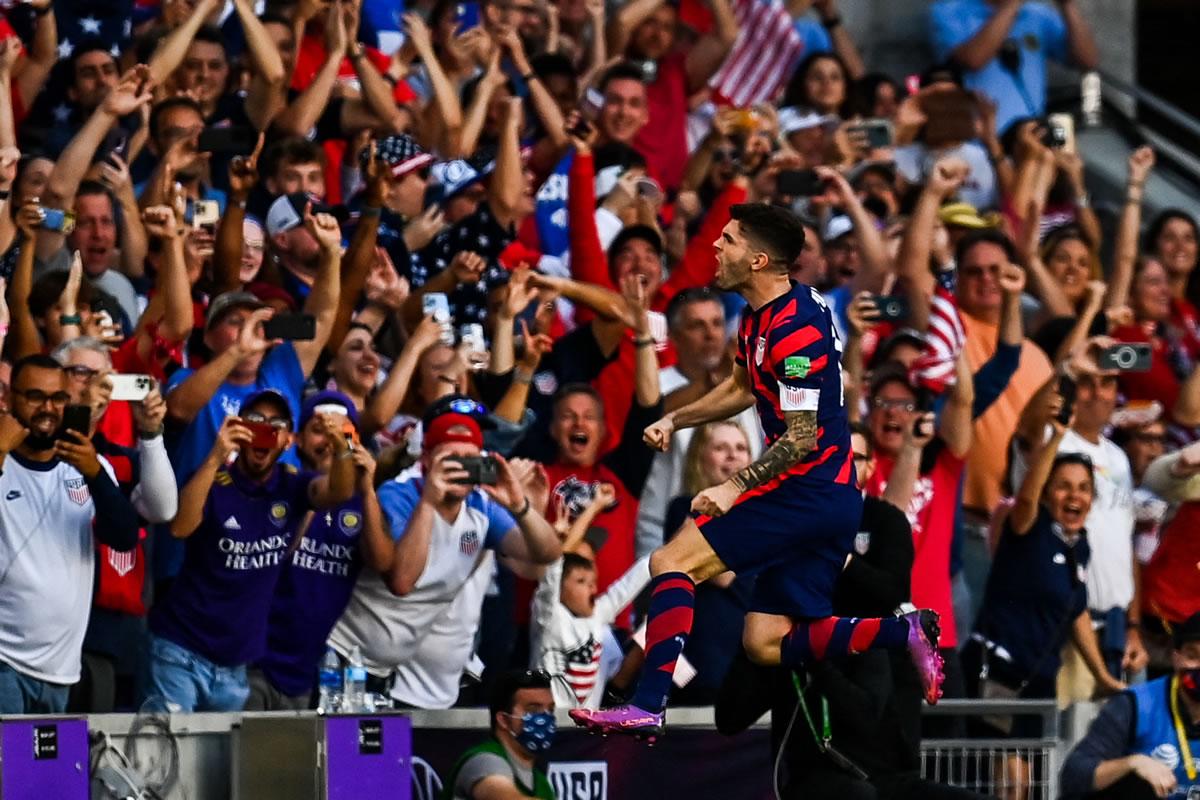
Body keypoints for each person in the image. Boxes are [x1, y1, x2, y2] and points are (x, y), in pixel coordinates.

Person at [570, 203, 944, 739]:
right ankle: (901, 632)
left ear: (759, 258)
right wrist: (678, 418)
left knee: (672, 560)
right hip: (828, 496)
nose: (717, 248)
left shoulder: (795, 331)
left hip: (806, 492)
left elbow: (800, 436)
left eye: (729, 240)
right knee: (765, 640)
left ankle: (648, 703)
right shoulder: (760, 315)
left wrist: (733, 485)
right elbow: (743, 387)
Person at [328, 409, 562, 709]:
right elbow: (401, 580)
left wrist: (519, 504)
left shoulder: (480, 506)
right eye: (452, 459)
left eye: (471, 459)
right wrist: (429, 500)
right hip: (343, 658)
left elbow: (546, 554)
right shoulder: (399, 496)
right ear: (426, 460)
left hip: (386, 671)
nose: (462, 469)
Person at [144, 389, 356, 711]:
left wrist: (342, 448)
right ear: (238, 428)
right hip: (179, 650)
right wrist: (216, 455)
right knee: (164, 757)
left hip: (235, 665)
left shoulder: (293, 485)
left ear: (288, 440)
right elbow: (179, 528)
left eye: (276, 423)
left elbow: (339, 492)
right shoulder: (212, 478)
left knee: (221, 763)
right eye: (255, 421)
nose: (265, 429)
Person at [963, 414, 1124, 793]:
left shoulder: (1078, 545)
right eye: (1064, 487)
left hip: (1039, 679)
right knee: (1010, 776)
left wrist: (1101, 675)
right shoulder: (1028, 528)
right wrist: (1057, 437)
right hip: (997, 671)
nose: (1075, 497)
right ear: (1048, 493)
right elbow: (1027, 497)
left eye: (1084, 488)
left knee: (1032, 779)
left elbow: (1076, 613)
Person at [0, 354, 139, 713]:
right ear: (8, 399)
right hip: (4, 661)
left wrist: (95, 474)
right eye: (34, 397)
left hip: (60, 669)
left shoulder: (88, 464)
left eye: (58, 399)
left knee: (46, 772)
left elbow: (124, 537)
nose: (48, 409)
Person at [247, 391, 394, 710]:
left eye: (342, 432)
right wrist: (315, 499)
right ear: (298, 439)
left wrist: (366, 488)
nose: (331, 441)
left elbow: (384, 563)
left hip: (311, 671)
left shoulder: (364, 503)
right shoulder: (282, 487)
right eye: (320, 430)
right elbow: (274, 556)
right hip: (255, 663)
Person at [532, 483, 650, 710]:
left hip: (586, 735)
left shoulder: (599, 619)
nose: (592, 588)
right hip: (551, 727)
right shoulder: (547, 615)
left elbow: (635, 578)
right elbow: (556, 567)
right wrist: (594, 507)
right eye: (580, 581)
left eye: (591, 581)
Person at [1060, 612, 1200, 800]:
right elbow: (1074, 775)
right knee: (1138, 781)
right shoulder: (1135, 703)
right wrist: (1132, 763)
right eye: (1193, 656)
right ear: (1176, 658)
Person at [928, 0, 1099, 133]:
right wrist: (1010, 7)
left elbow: (1087, 61)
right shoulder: (950, 11)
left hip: (1028, 140)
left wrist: (1068, 6)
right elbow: (973, 60)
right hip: (973, 144)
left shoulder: (1038, 15)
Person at [441, 669, 556, 800]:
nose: (545, 717)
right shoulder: (484, 761)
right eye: (533, 710)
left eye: (550, 710)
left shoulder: (542, 785)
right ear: (504, 720)